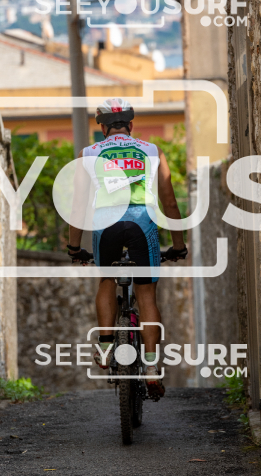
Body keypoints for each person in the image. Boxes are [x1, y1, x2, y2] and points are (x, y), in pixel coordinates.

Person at [67, 98, 187, 399]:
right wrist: (178, 246)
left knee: (106, 281)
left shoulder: (88, 154)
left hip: (106, 224)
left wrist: (74, 248)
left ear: (103, 128)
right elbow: (170, 202)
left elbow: (78, 206)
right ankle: (151, 366)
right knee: (146, 294)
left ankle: (106, 347)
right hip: (142, 224)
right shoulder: (152, 151)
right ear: (131, 125)